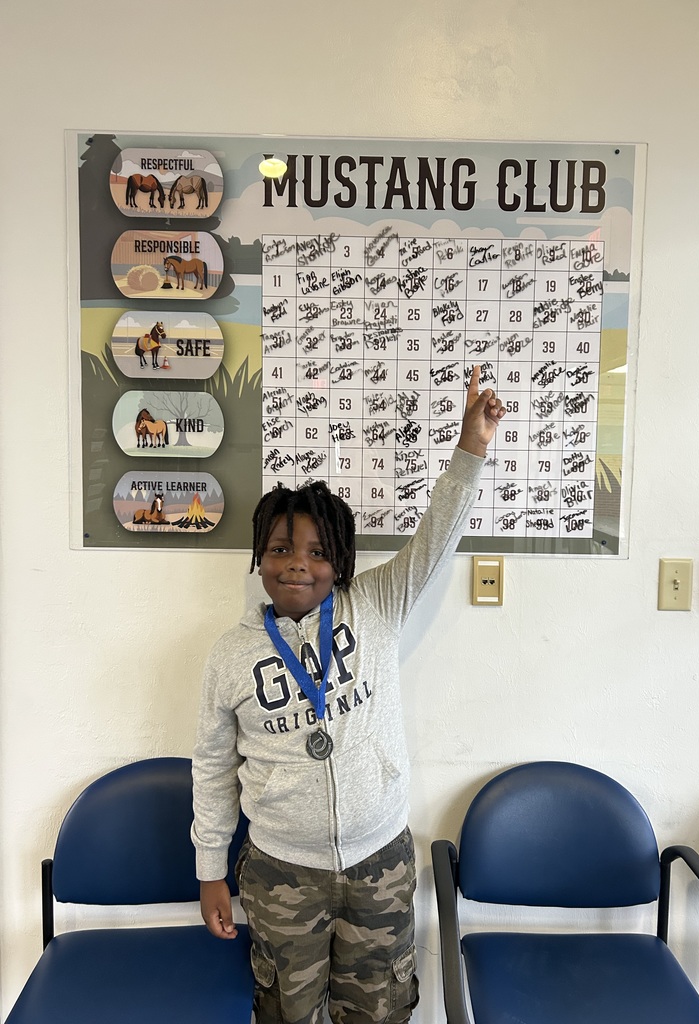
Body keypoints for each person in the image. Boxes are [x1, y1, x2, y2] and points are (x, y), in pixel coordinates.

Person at [192, 364, 505, 1023]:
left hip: (380, 863)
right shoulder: (230, 656)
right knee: (286, 1011)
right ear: (259, 558)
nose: (296, 563)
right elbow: (214, 769)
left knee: (381, 1010)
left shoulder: (377, 607)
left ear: (341, 559)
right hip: (280, 873)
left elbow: (434, 542)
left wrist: (471, 448)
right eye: (279, 549)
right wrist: (209, 868)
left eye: (314, 550)